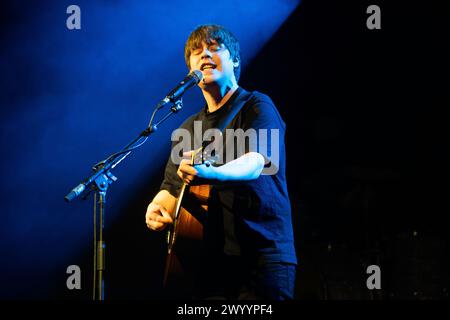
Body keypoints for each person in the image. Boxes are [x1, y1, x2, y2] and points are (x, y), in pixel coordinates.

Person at [145, 24, 297, 300]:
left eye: (214, 48)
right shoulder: (189, 129)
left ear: (235, 60)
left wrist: (213, 173)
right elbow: (171, 190)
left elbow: (256, 162)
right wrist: (155, 209)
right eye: (196, 52)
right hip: (208, 265)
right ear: (190, 69)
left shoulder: (257, 106)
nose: (204, 55)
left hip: (262, 259)